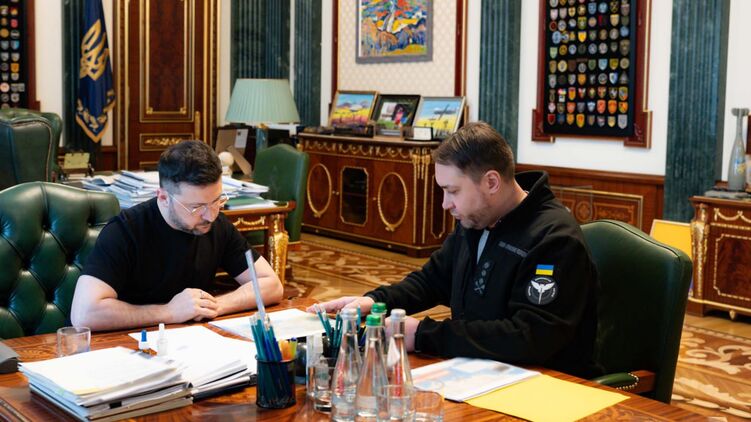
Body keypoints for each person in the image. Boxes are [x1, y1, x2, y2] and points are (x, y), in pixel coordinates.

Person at [311, 122, 601, 378]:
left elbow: (530, 337)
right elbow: (432, 280)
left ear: (491, 182)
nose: (445, 204)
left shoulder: (554, 239)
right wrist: (375, 301)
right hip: (480, 371)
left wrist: (423, 335)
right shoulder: (477, 218)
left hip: (547, 384)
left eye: (453, 191)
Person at [71, 140, 283, 331]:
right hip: (129, 344)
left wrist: (214, 305)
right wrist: (169, 312)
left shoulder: (216, 225)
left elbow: (271, 285)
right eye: (197, 207)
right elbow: (84, 315)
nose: (210, 215)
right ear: (163, 198)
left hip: (189, 340)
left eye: (217, 201)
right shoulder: (125, 231)